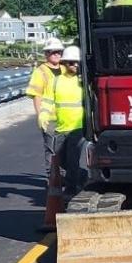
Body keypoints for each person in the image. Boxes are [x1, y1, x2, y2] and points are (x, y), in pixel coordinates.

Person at [41, 45, 86, 195]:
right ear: (65, 63)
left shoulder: (83, 82)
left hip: (78, 127)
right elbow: (47, 100)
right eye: (72, 63)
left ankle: (71, 190)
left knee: (73, 160)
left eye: (77, 63)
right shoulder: (55, 81)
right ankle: (83, 177)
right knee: (61, 160)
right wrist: (43, 115)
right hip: (61, 127)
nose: (75, 66)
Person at [27, 38, 64, 170]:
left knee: (65, 151)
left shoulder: (66, 69)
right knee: (52, 151)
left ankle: (65, 179)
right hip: (50, 118)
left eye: (59, 51)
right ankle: (53, 181)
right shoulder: (40, 72)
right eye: (53, 52)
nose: (56, 54)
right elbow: (37, 95)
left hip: (66, 118)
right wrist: (40, 116)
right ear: (46, 54)